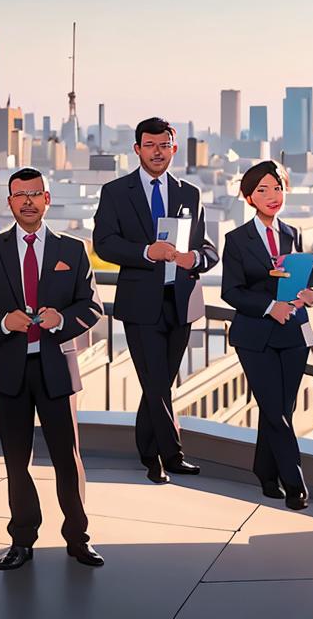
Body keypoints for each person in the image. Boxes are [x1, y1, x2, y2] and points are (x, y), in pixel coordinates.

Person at [0, 167, 104, 570]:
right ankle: (21, 541)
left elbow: (92, 306)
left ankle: (78, 539)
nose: (27, 201)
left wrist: (60, 320)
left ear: (47, 199)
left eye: (34, 193)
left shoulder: (73, 250)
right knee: (15, 460)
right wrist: (4, 322)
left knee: (67, 458)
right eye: (19, 195)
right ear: (9, 202)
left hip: (56, 367)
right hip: (9, 370)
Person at [93, 117, 219, 484]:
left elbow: (207, 247)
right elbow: (104, 244)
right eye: (150, 145)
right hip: (140, 303)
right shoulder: (116, 192)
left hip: (181, 303)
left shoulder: (189, 194)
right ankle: (168, 456)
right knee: (156, 381)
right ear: (137, 149)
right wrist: (147, 251)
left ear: (174, 149)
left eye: (164, 145)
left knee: (158, 382)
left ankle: (147, 450)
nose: (157, 152)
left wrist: (195, 258)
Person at [220, 160, 313, 510]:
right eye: (262, 190)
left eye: (277, 188)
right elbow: (230, 292)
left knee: (281, 409)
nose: (272, 196)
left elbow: (311, 271)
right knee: (275, 410)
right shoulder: (236, 240)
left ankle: (264, 471)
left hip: (293, 333)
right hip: (256, 336)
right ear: (249, 197)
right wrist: (268, 307)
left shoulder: (292, 233)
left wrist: (311, 293)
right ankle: (295, 484)